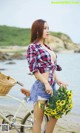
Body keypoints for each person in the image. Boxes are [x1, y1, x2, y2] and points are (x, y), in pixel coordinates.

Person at [22, 19, 68, 133]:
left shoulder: (48, 48)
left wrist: (58, 81)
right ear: (37, 30)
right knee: (38, 120)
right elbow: (34, 70)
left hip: (51, 88)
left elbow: (52, 67)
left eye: (48, 28)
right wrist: (46, 83)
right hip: (41, 88)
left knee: (55, 115)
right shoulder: (33, 47)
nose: (47, 31)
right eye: (44, 28)